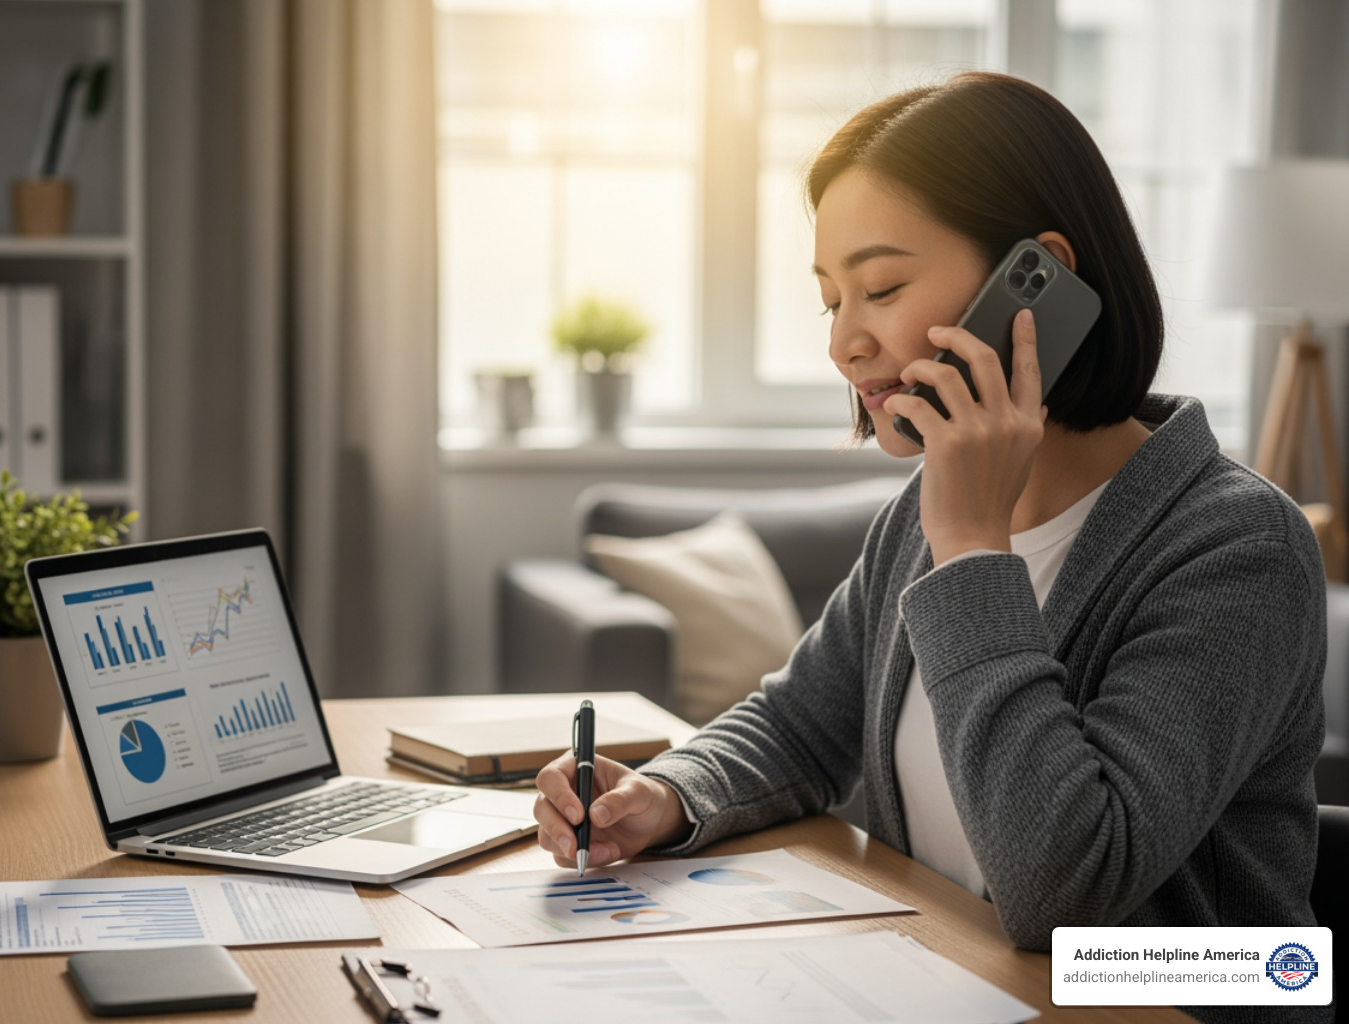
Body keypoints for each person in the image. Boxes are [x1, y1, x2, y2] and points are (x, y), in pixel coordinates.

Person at [533, 72, 1328, 1024]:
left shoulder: (1236, 547)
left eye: (881, 287)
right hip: (957, 978)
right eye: (831, 300)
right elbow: (802, 723)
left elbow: (1068, 890)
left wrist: (969, 549)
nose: (844, 344)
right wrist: (666, 792)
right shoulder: (922, 513)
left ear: (1035, 284)